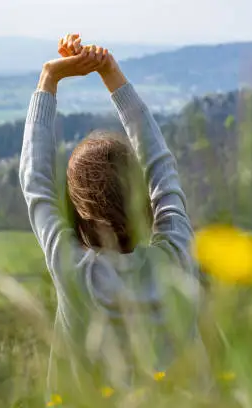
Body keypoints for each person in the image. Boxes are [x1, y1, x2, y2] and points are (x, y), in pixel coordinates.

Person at [19, 34, 203, 393]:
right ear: (143, 203)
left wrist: (48, 79)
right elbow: (161, 167)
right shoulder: (177, 256)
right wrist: (111, 74)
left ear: (78, 212)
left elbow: (35, 180)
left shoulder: (72, 268)